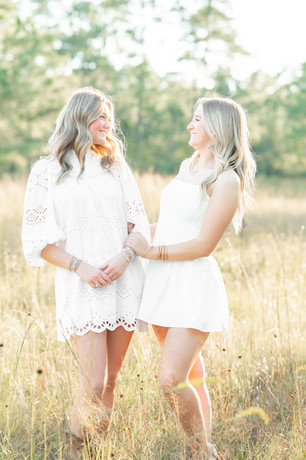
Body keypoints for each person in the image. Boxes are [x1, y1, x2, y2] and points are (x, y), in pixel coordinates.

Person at [126, 96, 256, 459]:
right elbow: (170, 225)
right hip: (163, 283)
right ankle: (203, 451)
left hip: (192, 285)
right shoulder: (191, 164)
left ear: (215, 128)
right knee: (192, 373)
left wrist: (152, 251)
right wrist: (135, 233)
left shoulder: (226, 180)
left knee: (170, 378)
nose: (190, 125)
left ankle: (201, 450)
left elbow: (203, 245)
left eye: (196, 119)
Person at [22, 87, 150, 448]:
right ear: (79, 118)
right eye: (100, 114)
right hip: (82, 284)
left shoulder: (117, 168)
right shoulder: (46, 172)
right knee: (92, 381)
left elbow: (139, 225)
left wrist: (125, 258)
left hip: (124, 280)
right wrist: (81, 267)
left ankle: (99, 449)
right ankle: (75, 448)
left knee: (110, 381)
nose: (107, 122)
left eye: (110, 115)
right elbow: (38, 242)